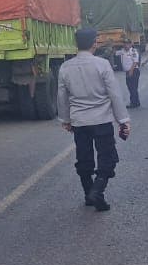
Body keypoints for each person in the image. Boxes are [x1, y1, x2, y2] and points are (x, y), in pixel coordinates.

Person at [56, 28, 132, 211]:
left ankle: (88, 193)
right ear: (94, 44)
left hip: (79, 121)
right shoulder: (102, 64)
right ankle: (98, 190)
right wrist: (123, 120)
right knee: (107, 157)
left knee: (84, 158)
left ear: (76, 44)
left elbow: (61, 96)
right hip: (101, 120)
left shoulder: (65, 67)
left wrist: (65, 119)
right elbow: (114, 94)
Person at [115, 41, 141, 108]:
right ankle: (137, 102)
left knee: (133, 87)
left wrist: (131, 71)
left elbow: (135, 62)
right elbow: (115, 53)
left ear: (130, 44)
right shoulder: (122, 51)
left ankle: (133, 103)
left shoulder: (133, 51)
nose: (126, 45)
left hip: (133, 71)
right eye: (124, 43)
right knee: (131, 87)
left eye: (127, 43)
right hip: (128, 71)